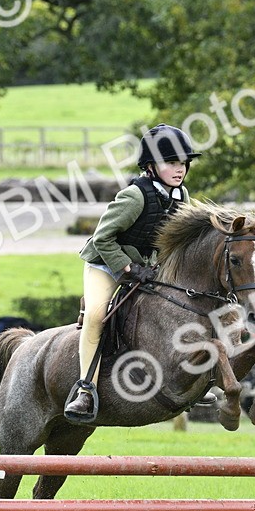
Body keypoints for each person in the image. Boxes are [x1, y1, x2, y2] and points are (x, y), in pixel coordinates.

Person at [63, 124, 203, 423]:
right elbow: (102, 239)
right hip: (105, 264)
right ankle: (84, 389)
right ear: (151, 166)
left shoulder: (181, 195)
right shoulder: (134, 196)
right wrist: (127, 267)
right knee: (96, 315)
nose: (179, 170)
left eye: (182, 163)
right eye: (171, 163)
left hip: (145, 267)